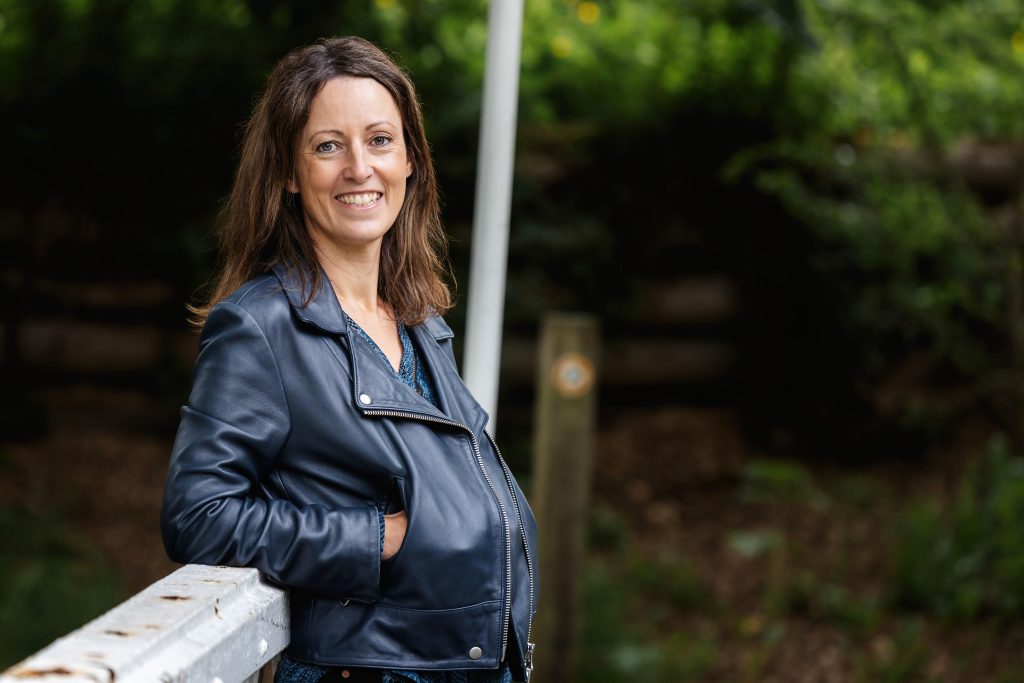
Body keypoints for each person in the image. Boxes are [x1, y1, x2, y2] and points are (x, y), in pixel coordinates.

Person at [160, 36, 537, 683]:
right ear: (287, 170)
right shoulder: (260, 326)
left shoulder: (420, 320)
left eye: (381, 140)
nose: (360, 167)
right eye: (328, 145)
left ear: (411, 160)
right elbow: (199, 514)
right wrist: (374, 537)